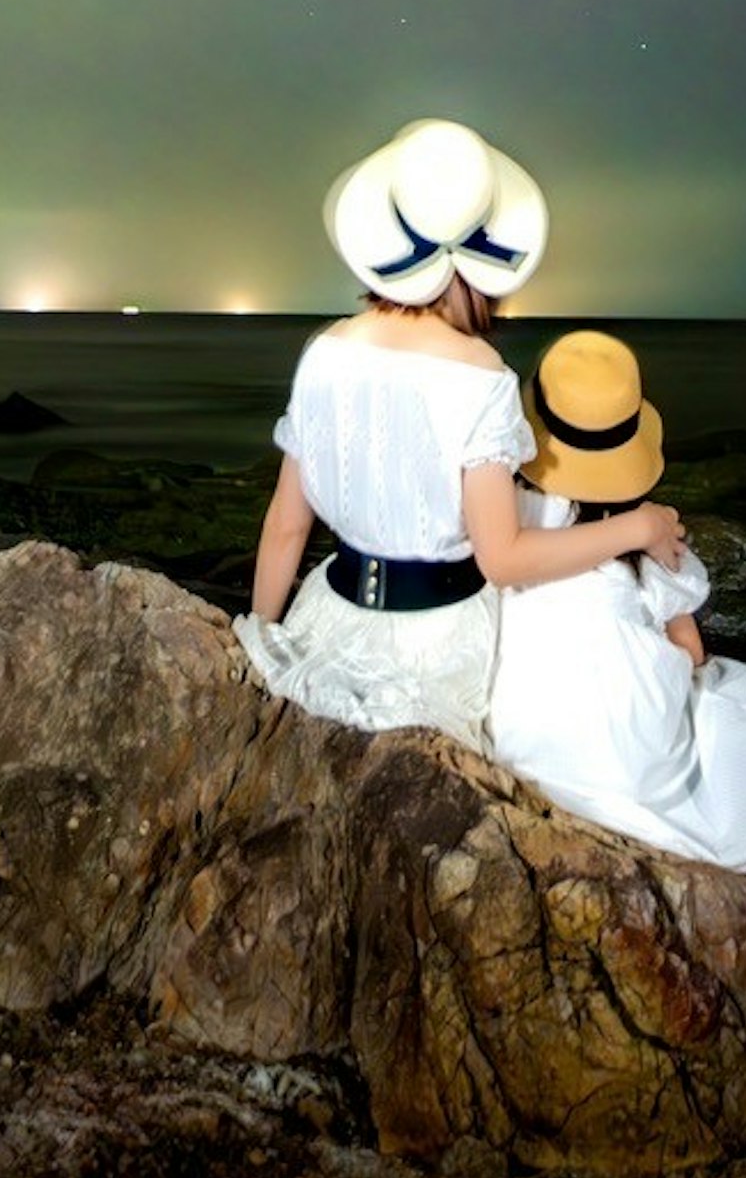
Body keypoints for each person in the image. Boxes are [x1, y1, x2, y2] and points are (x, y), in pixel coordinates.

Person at [237, 119, 689, 738]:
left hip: (329, 616)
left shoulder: (325, 351)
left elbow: (287, 524)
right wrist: (638, 525)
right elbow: (503, 558)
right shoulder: (482, 377)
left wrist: (263, 642)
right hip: (437, 646)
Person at [481, 325, 746, 870]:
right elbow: (690, 652)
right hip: (631, 765)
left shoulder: (509, 520)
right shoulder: (646, 536)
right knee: (710, 694)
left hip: (521, 742)